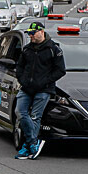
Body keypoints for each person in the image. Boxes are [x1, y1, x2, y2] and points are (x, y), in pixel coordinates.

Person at [14, 21, 66, 159]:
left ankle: (27, 147)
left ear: (41, 32)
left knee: (35, 117)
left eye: (33, 33)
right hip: (26, 88)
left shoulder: (53, 49)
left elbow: (60, 70)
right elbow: (19, 67)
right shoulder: (27, 49)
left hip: (44, 89)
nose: (30, 36)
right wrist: (22, 80)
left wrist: (45, 81)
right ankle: (33, 143)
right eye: (29, 33)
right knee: (20, 112)